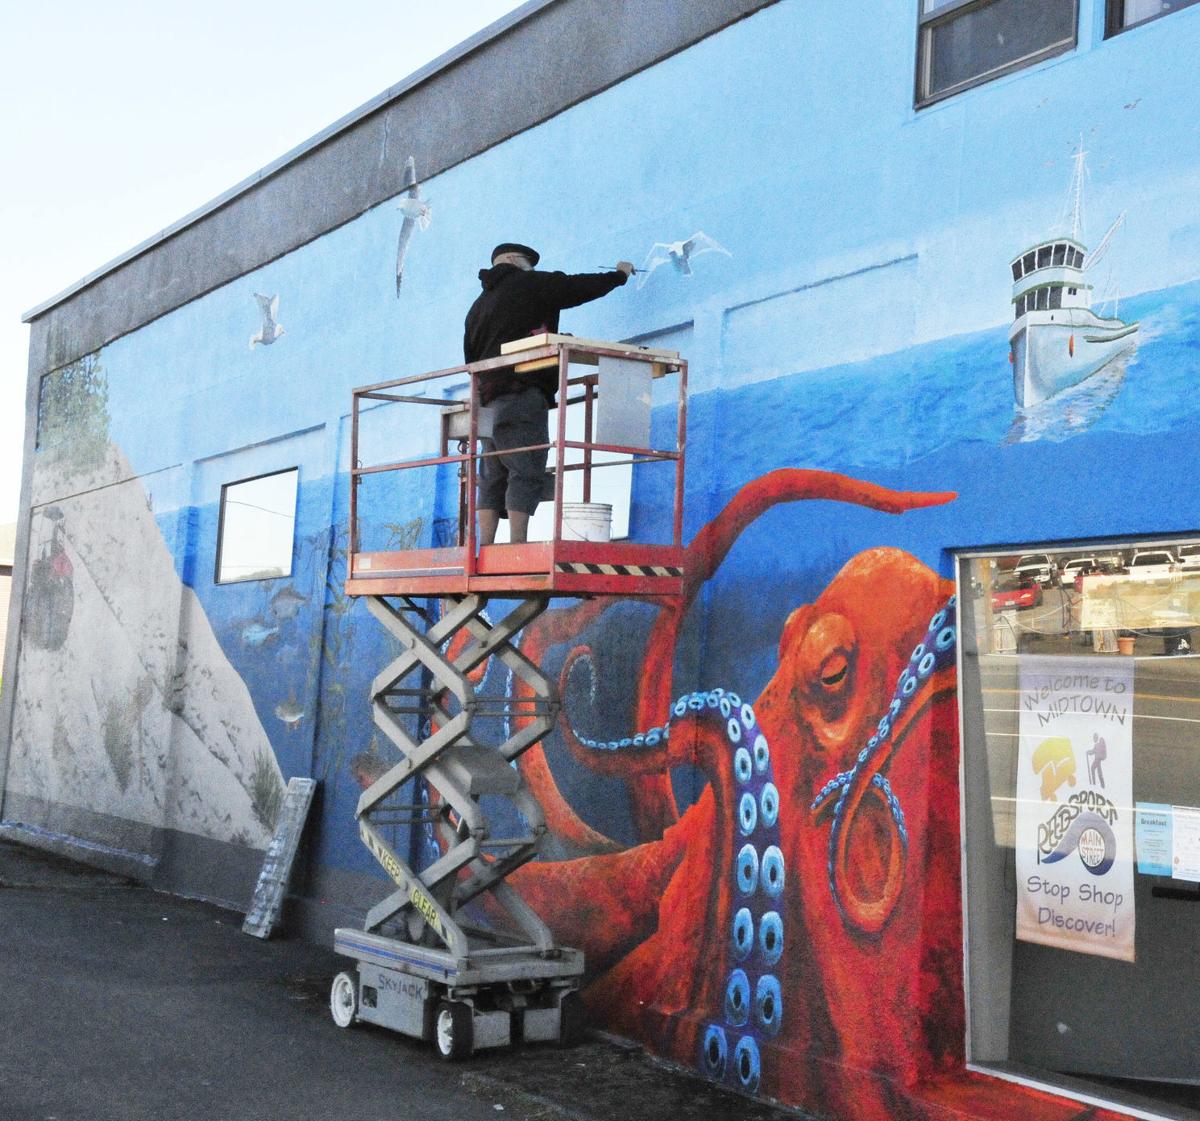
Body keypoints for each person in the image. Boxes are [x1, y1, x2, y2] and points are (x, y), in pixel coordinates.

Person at [464, 242, 634, 544]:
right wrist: (618, 276)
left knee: (492, 473)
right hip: (522, 392)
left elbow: (471, 361)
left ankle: (485, 547)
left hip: (487, 401)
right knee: (525, 467)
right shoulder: (530, 284)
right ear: (517, 261)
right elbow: (576, 287)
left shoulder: (477, 307)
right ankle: (518, 544)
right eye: (529, 264)